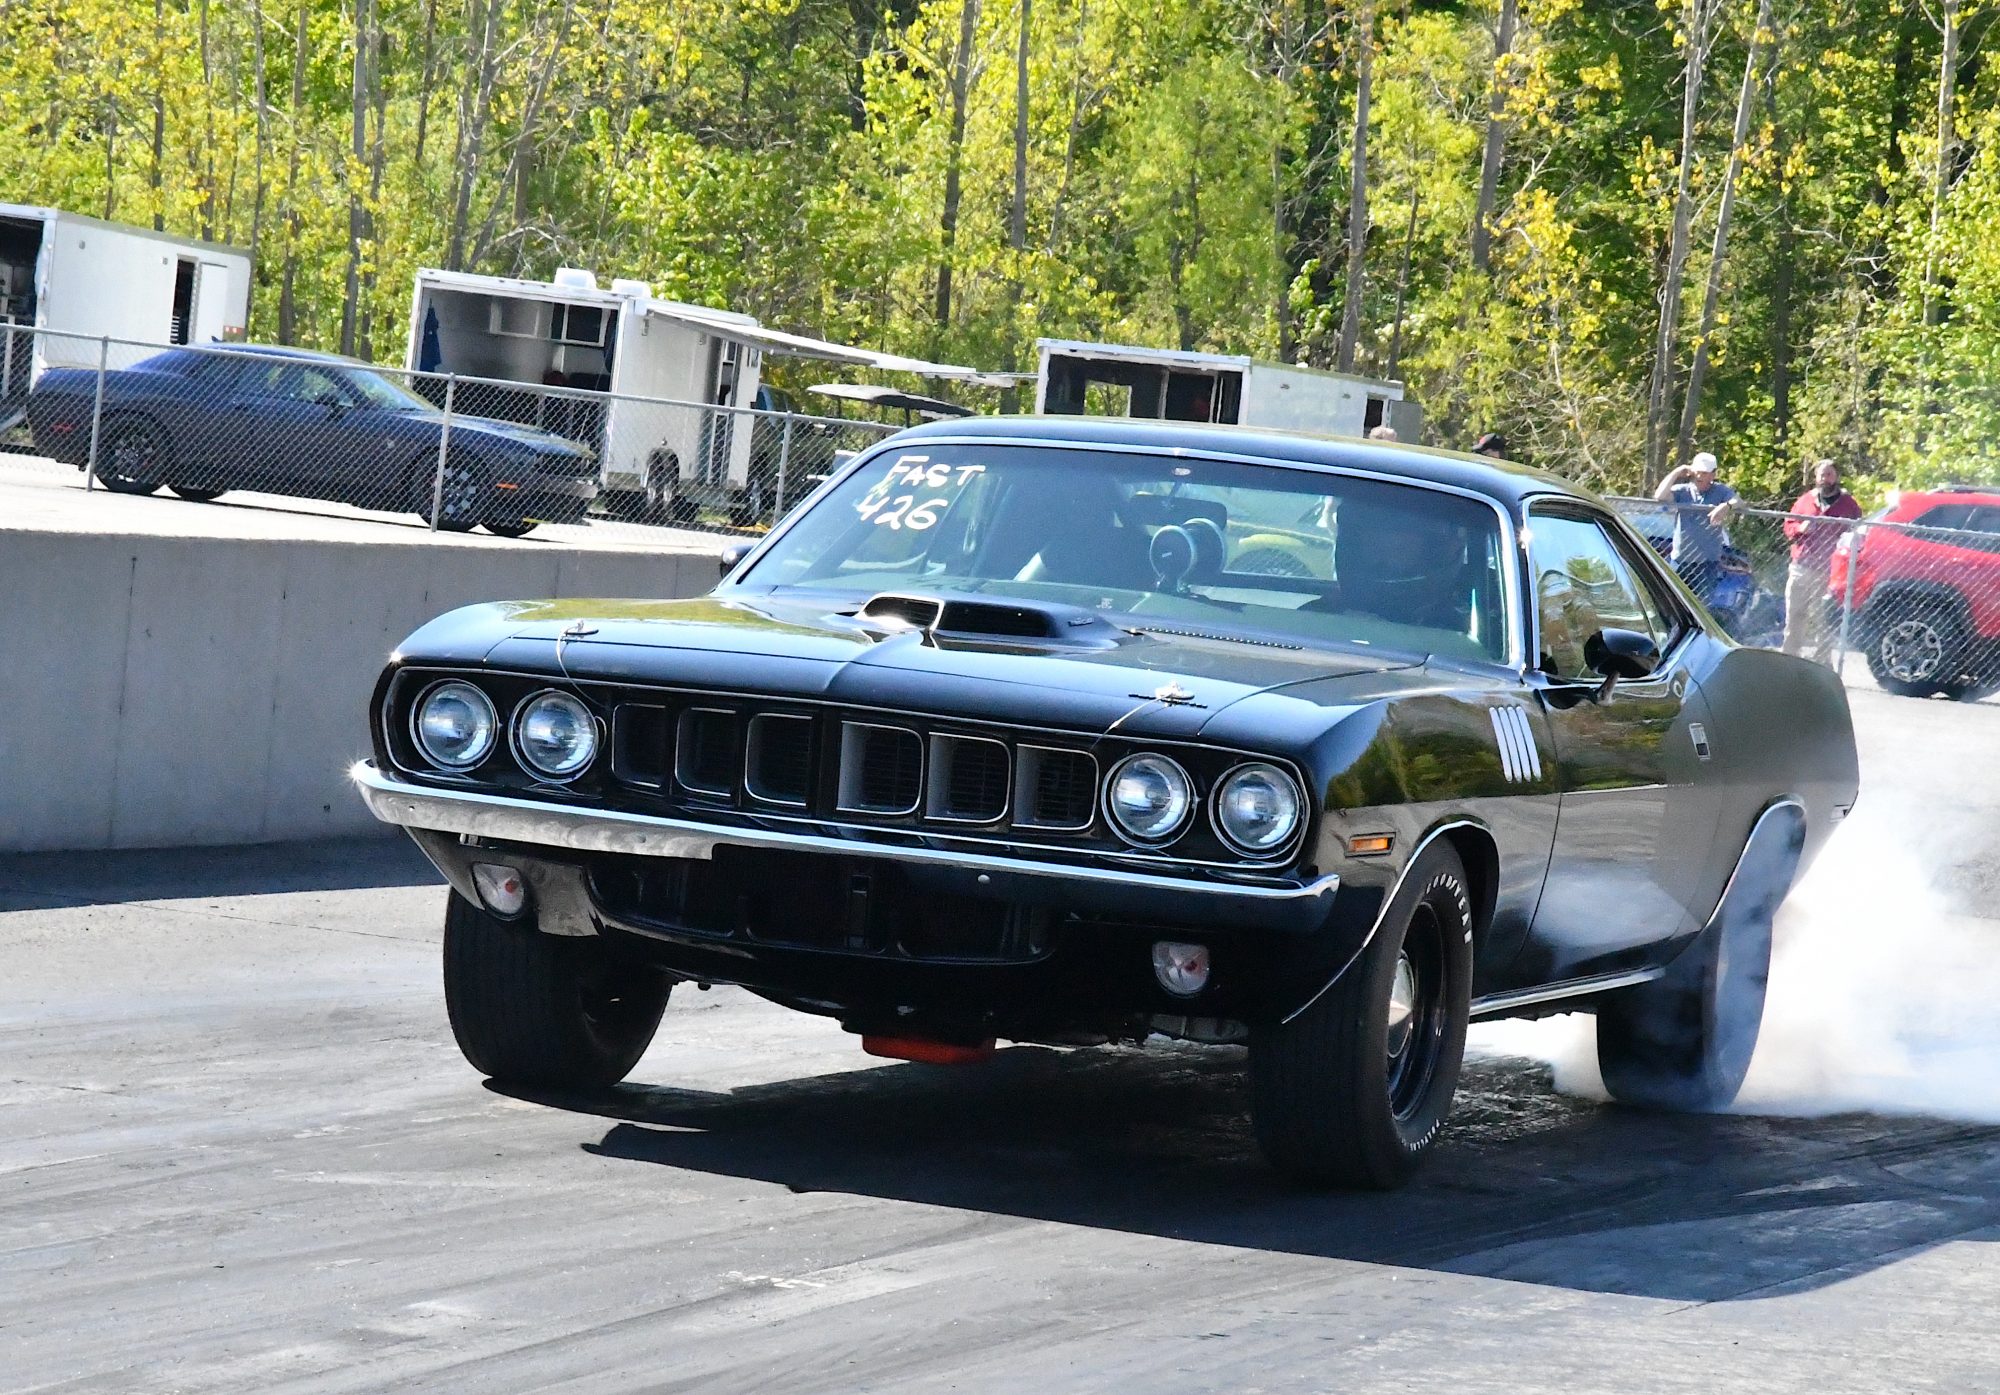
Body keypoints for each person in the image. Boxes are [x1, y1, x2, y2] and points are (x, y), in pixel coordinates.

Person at [1781, 458, 1862, 660]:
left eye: (1830, 474)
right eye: (1822, 475)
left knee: (1823, 621)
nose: (1825, 479)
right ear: (1815, 478)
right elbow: (1788, 526)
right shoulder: (1805, 500)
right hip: (1801, 567)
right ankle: (1788, 660)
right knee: (1794, 616)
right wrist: (1800, 528)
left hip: (1829, 571)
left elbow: (1858, 533)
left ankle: (1822, 664)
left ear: (1837, 476)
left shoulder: (1848, 505)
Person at [1653, 450, 1738, 602]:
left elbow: (1738, 501)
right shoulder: (1683, 491)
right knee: (1673, 601)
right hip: (1681, 560)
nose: (1699, 476)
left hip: (1707, 564)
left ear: (1713, 474)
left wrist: (1725, 506)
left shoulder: (1720, 491)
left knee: (1702, 605)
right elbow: (1659, 496)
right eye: (1697, 472)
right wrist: (1677, 472)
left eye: (1705, 473)